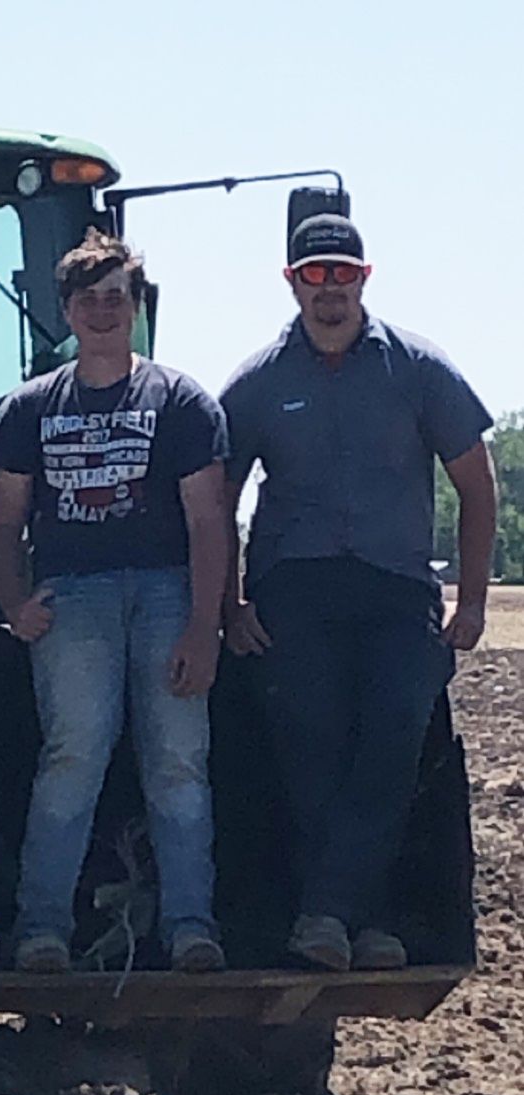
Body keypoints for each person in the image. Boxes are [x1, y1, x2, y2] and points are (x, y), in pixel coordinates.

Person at [220, 213, 497, 971]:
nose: (330, 290)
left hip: (398, 590)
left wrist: (471, 600)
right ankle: (356, 922)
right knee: (311, 741)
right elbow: (213, 501)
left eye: (343, 273)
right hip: (296, 589)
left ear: (365, 278)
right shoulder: (256, 382)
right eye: (314, 275)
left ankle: (331, 912)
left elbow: (476, 482)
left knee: (397, 732)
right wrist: (228, 606)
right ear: (291, 283)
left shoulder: (419, 368)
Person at [0, 228, 229, 974]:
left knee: (179, 762)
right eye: (87, 300)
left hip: (165, 592)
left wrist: (203, 624)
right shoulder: (28, 410)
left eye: (115, 298)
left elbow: (208, 521)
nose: (101, 312)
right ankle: (42, 929)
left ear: (135, 307)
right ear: (64, 311)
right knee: (72, 757)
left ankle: (191, 926)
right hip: (74, 599)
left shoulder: (181, 401)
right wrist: (15, 602)